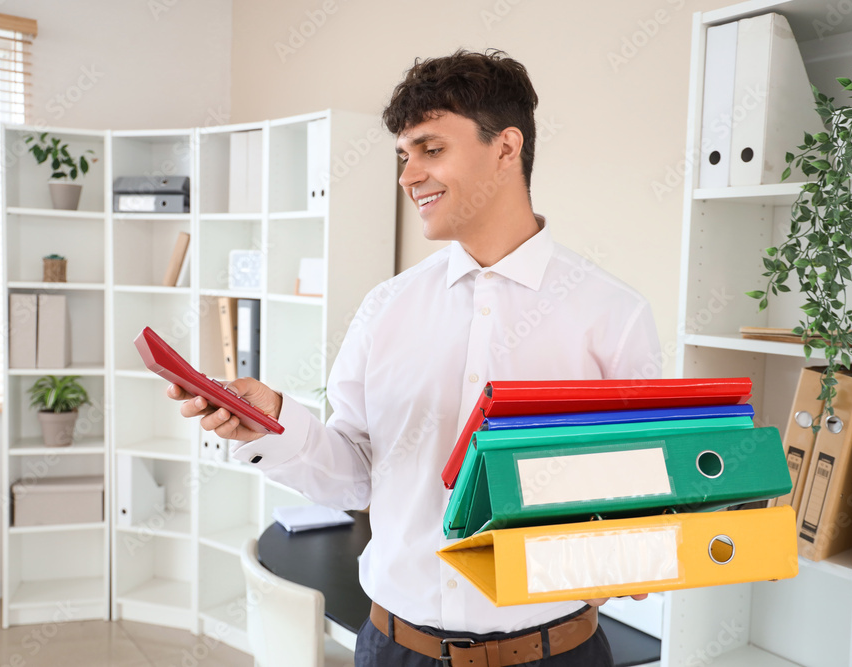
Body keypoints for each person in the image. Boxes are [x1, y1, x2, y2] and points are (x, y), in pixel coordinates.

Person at [168, 49, 660, 667]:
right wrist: (273, 420)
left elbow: (644, 487)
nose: (407, 176)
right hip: (395, 650)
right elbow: (355, 474)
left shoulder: (611, 314)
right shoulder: (385, 308)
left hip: (553, 651)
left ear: (506, 148)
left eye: (431, 149)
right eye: (404, 156)